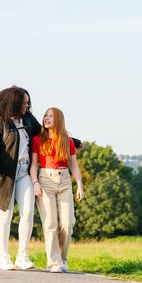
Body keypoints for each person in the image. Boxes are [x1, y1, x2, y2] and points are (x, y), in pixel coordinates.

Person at [0, 86, 41, 270]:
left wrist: (73, 142)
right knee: (5, 215)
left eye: (27, 102)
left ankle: (22, 256)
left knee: (28, 212)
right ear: (13, 102)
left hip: (25, 172)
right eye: (23, 102)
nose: (27, 105)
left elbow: (46, 135)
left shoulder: (28, 119)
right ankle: (3, 257)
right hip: (5, 174)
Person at [29, 107, 84, 273]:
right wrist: (35, 183)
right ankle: (54, 262)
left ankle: (63, 259)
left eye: (50, 116)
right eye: (45, 115)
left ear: (58, 119)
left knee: (68, 222)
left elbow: (74, 165)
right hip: (45, 179)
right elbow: (33, 165)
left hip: (65, 180)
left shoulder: (67, 141)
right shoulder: (38, 140)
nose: (46, 118)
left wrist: (79, 185)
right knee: (50, 223)